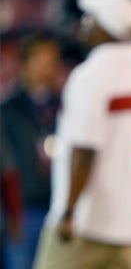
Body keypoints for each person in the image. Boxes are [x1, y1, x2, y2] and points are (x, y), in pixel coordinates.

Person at [33, 0, 131, 269]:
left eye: (89, 18)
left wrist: (69, 212)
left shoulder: (89, 76)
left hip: (90, 222)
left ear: (103, 26)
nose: (83, 24)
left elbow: (84, 148)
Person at [0, 31, 63, 269]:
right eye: (43, 60)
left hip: (56, 207)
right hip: (23, 211)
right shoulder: (8, 108)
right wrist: (12, 212)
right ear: (24, 64)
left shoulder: (63, 104)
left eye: (53, 60)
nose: (50, 67)